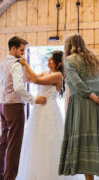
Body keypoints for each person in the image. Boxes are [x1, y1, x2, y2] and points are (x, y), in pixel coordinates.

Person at [0, 36, 46, 180]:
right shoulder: (16, 64)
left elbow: (24, 79)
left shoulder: (3, 63)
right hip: (15, 106)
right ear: (13, 48)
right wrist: (33, 99)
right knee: (14, 145)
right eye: (21, 50)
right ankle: (9, 177)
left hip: (3, 105)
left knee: (3, 143)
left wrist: (43, 75)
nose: (23, 53)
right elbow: (18, 87)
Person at [17, 50, 66, 180]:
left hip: (49, 112)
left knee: (48, 143)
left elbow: (37, 80)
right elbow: (29, 79)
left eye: (51, 59)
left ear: (59, 63)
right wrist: (21, 66)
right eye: (48, 59)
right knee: (36, 142)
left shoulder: (58, 75)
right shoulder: (46, 72)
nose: (48, 61)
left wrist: (26, 64)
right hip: (38, 111)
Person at [58, 33, 99, 180]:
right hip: (96, 104)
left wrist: (91, 95)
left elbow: (77, 83)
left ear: (68, 45)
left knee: (85, 146)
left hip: (82, 105)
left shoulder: (69, 60)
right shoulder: (94, 59)